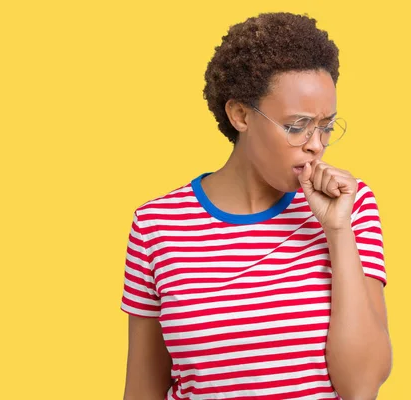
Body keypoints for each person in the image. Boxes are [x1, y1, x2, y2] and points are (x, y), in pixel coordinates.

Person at [120, 12, 391, 400]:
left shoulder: (351, 205)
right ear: (241, 115)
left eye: (326, 125)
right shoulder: (157, 225)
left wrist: (337, 231)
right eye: (298, 125)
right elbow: (142, 390)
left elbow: (362, 387)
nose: (317, 144)